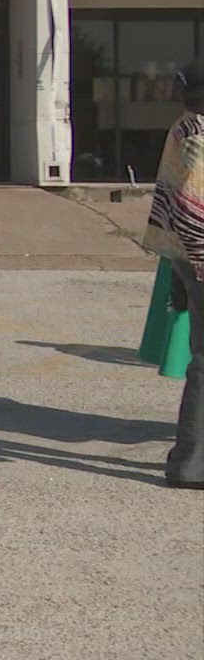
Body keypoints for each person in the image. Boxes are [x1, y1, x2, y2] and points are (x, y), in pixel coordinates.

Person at [146, 60, 204, 489]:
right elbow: (189, 205)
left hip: (186, 255)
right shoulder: (198, 135)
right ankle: (190, 465)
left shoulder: (185, 126)